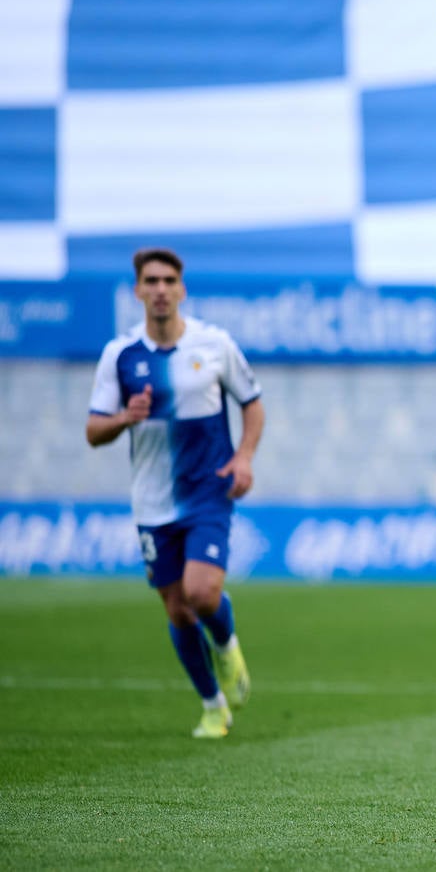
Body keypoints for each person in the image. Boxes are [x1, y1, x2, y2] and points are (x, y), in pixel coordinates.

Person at [86, 248, 264, 738]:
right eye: (151, 281)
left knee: (201, 594)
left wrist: (244, 457)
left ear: (182, 289)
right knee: (177, 607)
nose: (161, 289)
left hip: (207, 491)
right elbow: (93, 431)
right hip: (152, 502)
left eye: (168, 280)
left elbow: (252, 403)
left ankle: (225, 644)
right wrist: (124, 418)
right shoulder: (120, 355)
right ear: (138, 291)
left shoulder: (214, 345)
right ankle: (213, 706)